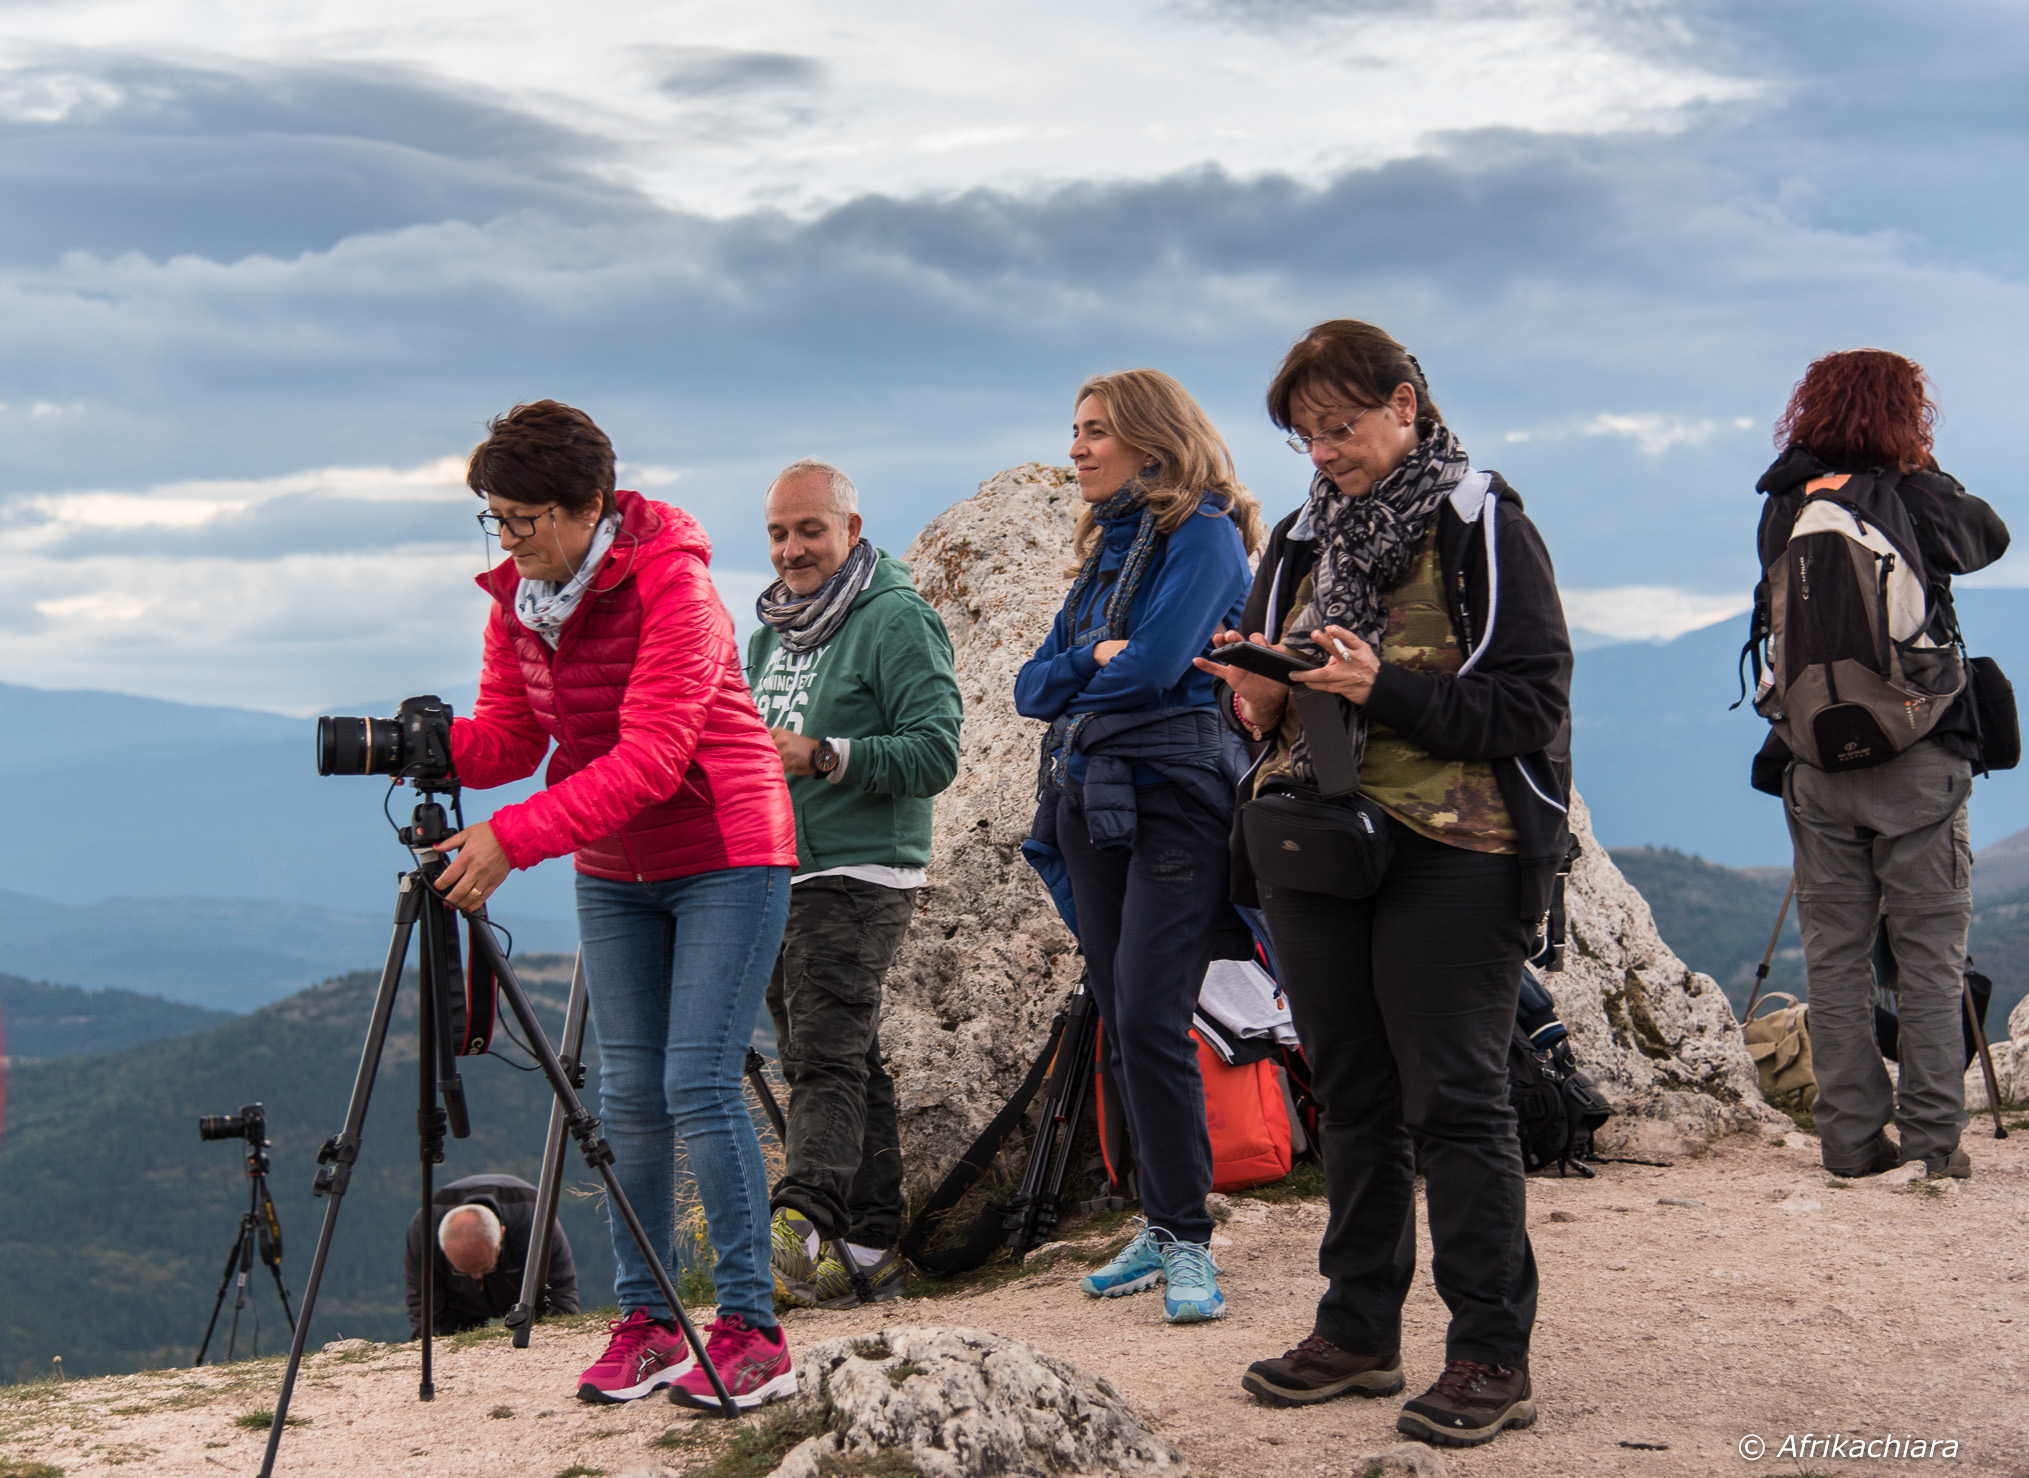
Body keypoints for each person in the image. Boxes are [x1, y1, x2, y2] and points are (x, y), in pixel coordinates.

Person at [1197, 321, 1571, 1447]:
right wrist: (1255, 695)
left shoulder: (1480, 520)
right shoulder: (1305, 539)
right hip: (1320, 837)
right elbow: (1270, 695)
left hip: (1459, 849)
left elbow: (1527, 705)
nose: (1321, 452)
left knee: (1455, 1101)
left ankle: (1489, 1354)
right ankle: (1357, 1329)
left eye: (1340, 426)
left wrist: (1382, 686)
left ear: (1405, 404)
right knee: (1351, 1094)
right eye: (1305, 435)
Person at [438, 400, 798, 1411]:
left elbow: (652, 757)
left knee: (696, 1082)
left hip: (725, 846)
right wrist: (420, 742)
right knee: (626, 1098)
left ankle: (749, 1329)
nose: (505, 540)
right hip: (613, 860)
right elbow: (509, 739)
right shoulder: (518, 599)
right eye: (492, 519)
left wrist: (510, 838)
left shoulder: (675, 585)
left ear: (586, 506)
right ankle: (647, 1321)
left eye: (520, 518)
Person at [1015, 369, 1263, 1325]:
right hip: (1089, 798)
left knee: (1154, 1015)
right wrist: (1091, 664)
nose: (1075, 447)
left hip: (1172, 802)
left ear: (1151, 442)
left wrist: (1096, 673)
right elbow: (1030, 687)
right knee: (1121, 1012)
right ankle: (1162, 1226)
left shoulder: (1199, 536)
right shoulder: (1111, 546)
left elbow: (1162, 668)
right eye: (1073, 429)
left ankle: (1190, 1242)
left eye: (1095, 432)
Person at [1751, 350, 2007, 1182]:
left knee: (1833, 957)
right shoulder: (1915, 495)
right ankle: (1933, 1146)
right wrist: (1921, 465)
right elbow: (1989, 539)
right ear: (1907, 417)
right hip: (1918, 753)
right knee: (1929, 957)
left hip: (1813, 758)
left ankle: (1850, 1144)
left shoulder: (1783, 502)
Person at [745, 458, 963, 1307]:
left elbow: (936, 752)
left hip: (861, 868)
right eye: (777, 533)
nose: (792, 550)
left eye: (809, 530)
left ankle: (797, 1222)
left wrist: (824, 753)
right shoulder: (767, 635)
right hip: (776, 869)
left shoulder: (896, 619)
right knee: (847, 1059)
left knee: (822, 1053)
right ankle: (873, 1250)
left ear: (851, 531)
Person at [402, 1172, 579, 1339]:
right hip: (458, 1305)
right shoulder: (424, 1230)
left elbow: (560, 1291)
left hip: (528, 1296)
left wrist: (559, 1336)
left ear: (502, 1235)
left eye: (486, 1267)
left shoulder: (536, 1219)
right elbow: (422, 1303)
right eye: (463, 1271)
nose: (477, 1277)